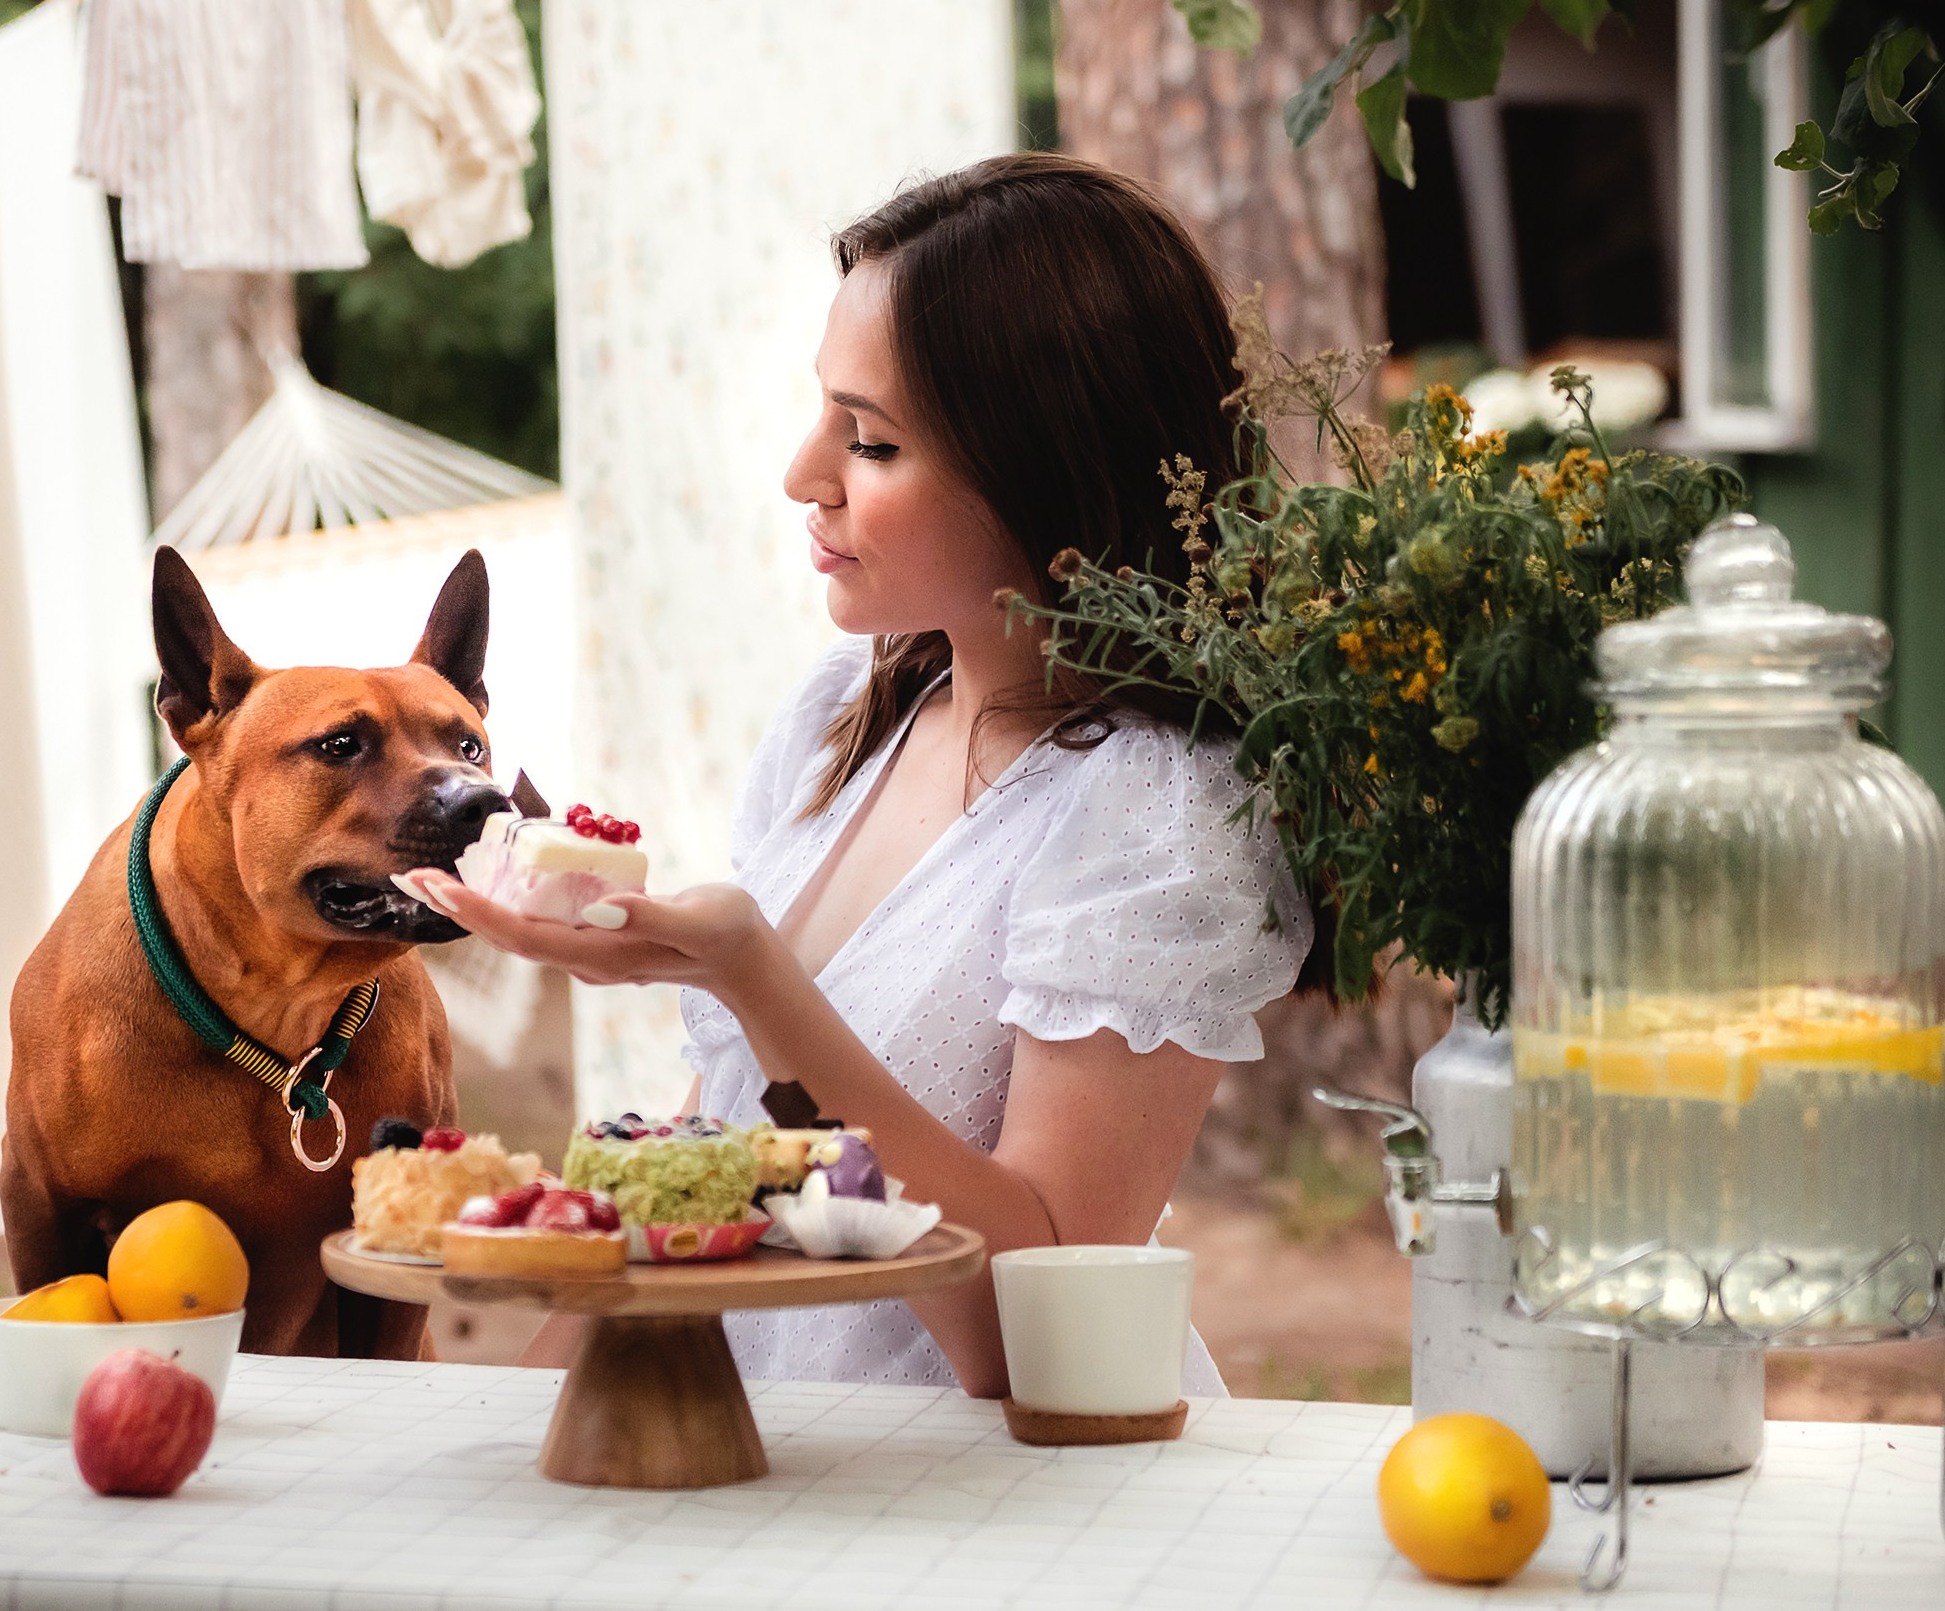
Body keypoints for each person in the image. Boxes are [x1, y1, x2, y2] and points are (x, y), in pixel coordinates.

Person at [414, 153, 1311, 1397]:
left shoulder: (1157, 816)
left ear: (1044, 464)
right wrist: (516, 1409)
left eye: (872, 441)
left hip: (980, 1517)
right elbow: (725, 1159)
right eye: (823, 415)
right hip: (743, 1460)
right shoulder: (846, 718)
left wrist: (751, 972)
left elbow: (1031, 1338)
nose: (803, 475)